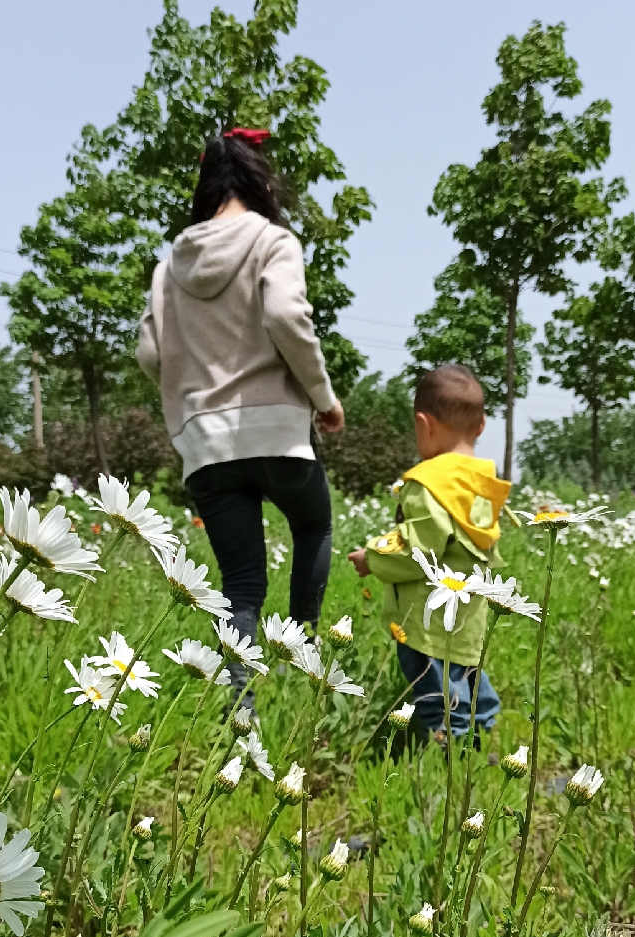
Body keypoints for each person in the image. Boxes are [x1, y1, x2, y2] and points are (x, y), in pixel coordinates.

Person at [137, 128, 344, 704]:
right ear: (259, 182)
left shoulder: (168, 267)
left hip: (206, 447)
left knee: (242, 587)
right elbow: (284, 315)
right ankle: (306, 658)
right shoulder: (273, 241)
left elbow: (150, 355)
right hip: (277, 434)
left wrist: (193, 394)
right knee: (313, 525)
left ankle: (241, 715)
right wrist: (323, 399)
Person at [347, 365, 510, 741]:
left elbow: (415, 550)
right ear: (482, 426)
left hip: (427, 614)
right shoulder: (483, 485)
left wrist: (371, 558)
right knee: (466, 668)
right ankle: (484, 725)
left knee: (433, 682)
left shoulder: (429, 484)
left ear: (424, 423)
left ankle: (446, 742)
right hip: (469, 609)